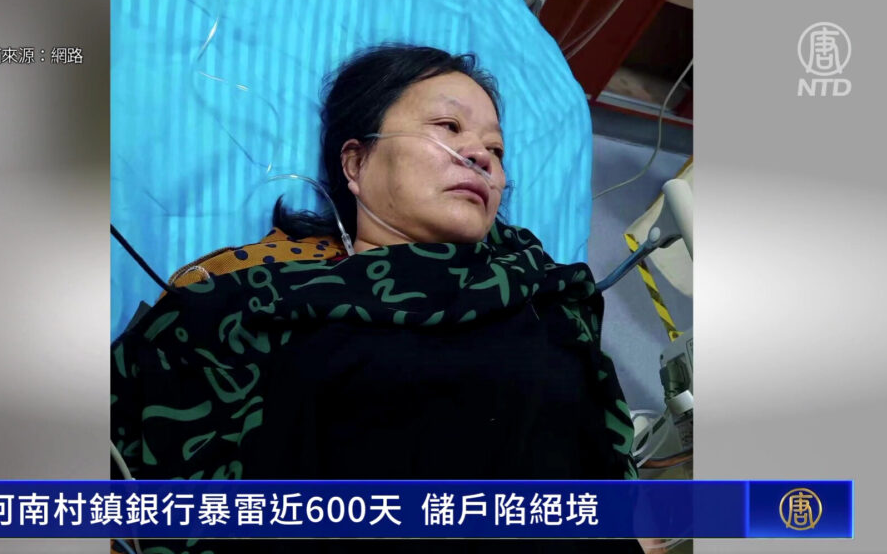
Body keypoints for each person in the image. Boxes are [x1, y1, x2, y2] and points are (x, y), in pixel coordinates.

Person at [112, 44, 648, 553]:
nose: (480, 156)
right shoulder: (256, 303)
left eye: (496, 150)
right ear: (356, 163)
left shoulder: (545, 292)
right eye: (449, 126)